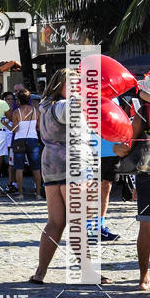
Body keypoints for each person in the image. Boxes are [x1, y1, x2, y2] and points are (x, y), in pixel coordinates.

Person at [30, 68, 106, 285]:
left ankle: (40, 272)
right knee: (77, 222)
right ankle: (88, 272)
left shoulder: (45, 105)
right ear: (59, 85)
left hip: (51, 164)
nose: (77, 88)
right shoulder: (65, 105)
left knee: (55, 222)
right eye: (72, 84)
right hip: (73, 165)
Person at [113, 66, 150, 291]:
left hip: (148, 169)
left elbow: (127, 145)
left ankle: (144, 278)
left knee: (145, 226)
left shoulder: (143, 112)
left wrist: (117, 148)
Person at [10, 89, 42, 200]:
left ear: (19, 100)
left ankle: (20, 194)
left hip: (19, 140)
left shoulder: (16, 112)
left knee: (19, 168)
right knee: (36, 168)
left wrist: (5, 124)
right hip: (33, 139)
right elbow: (38, 128)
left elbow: (15, 129)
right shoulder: (36, 111)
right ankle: (38, 194)